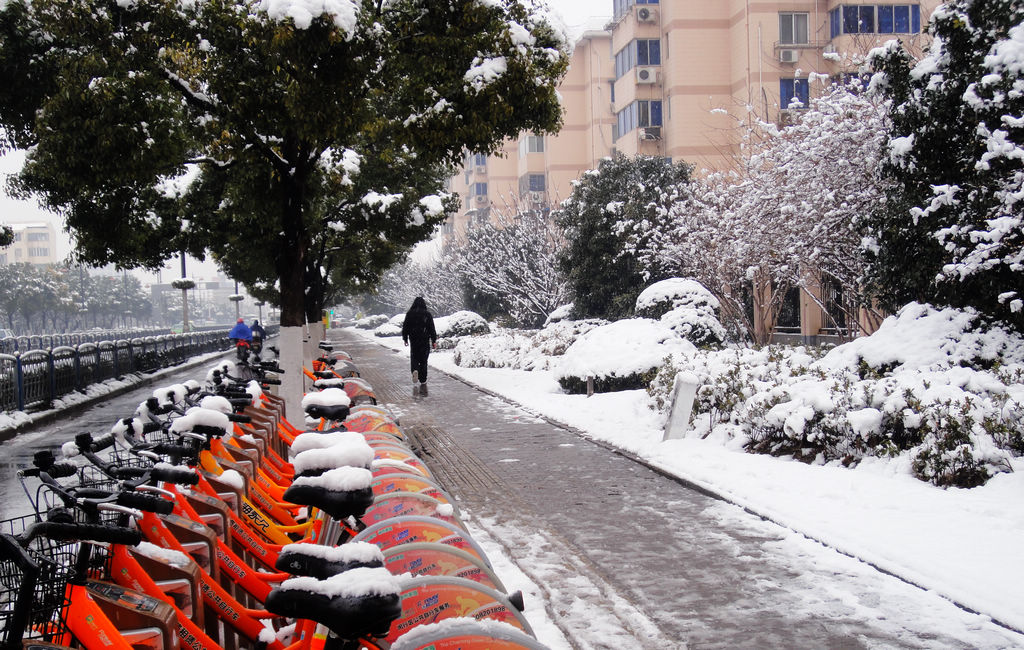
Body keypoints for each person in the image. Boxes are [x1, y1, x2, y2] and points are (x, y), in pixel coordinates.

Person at [401, 296, 437, 395]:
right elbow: (431, 328)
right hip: (424, 339)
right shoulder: (427, 314)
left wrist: (405, 338)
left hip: (414, 339)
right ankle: (423, 378)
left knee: (414, 357)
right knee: (424, 359)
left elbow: (405, 327)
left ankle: (415, 370)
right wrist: (434, 340)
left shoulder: (410, 314)